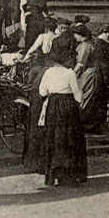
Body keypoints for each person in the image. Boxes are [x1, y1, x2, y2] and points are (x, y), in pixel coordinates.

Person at [39, 50, 88, 187]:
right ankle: (69, 175)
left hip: (53, 106)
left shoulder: (48, 72)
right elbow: (77, 93)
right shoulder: (70, 73)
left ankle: (51, 174)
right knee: (69, 139)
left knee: (53, 138)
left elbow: (42, 91)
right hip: (68, 106)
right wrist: (80, 101)